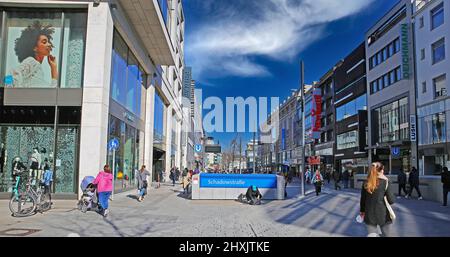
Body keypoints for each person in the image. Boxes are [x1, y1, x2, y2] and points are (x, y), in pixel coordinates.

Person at [7, 21, 58, 88]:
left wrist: (53, 68)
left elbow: (51, 94)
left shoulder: (37, 69)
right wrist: (8, 92)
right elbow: (11, 75)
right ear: (34, 47)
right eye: (44, 42)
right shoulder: (32, 62)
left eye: (48, 42)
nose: (49, 44)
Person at [360, 162, 395, 237]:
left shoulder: (366, 182)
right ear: (382, 170)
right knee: (386, 235)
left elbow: (363, 199)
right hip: (383, 215)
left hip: (369, 214)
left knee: (372, 235)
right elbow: (391, 200)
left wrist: (362, 211)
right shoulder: (385, 182)